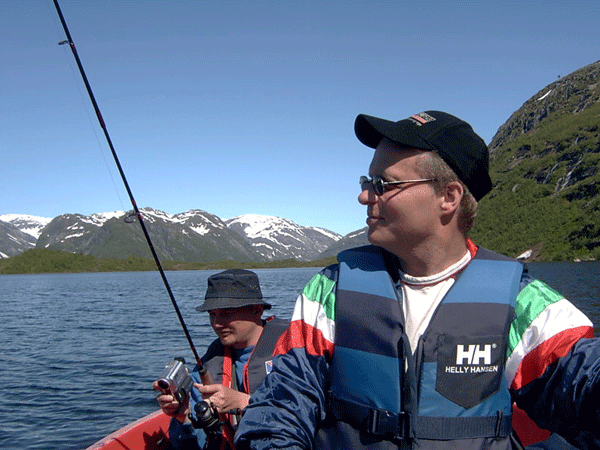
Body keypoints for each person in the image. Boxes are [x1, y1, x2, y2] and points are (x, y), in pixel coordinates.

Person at [235, 111, 600, 449]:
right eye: (367, 181)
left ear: (448, 196)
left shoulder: (521, 303)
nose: (364, 196)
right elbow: (282, 403)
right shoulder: (330, 291)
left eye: (383, 184)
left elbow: (581, 378)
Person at [154, 268, 288, 449]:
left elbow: (312, 413)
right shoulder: (209, 365)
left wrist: (245, 403)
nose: (216, 323)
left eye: (226, 313)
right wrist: (183, 415)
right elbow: (191, 445)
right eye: (212, 314)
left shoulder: (295, 352)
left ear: (257, 310)